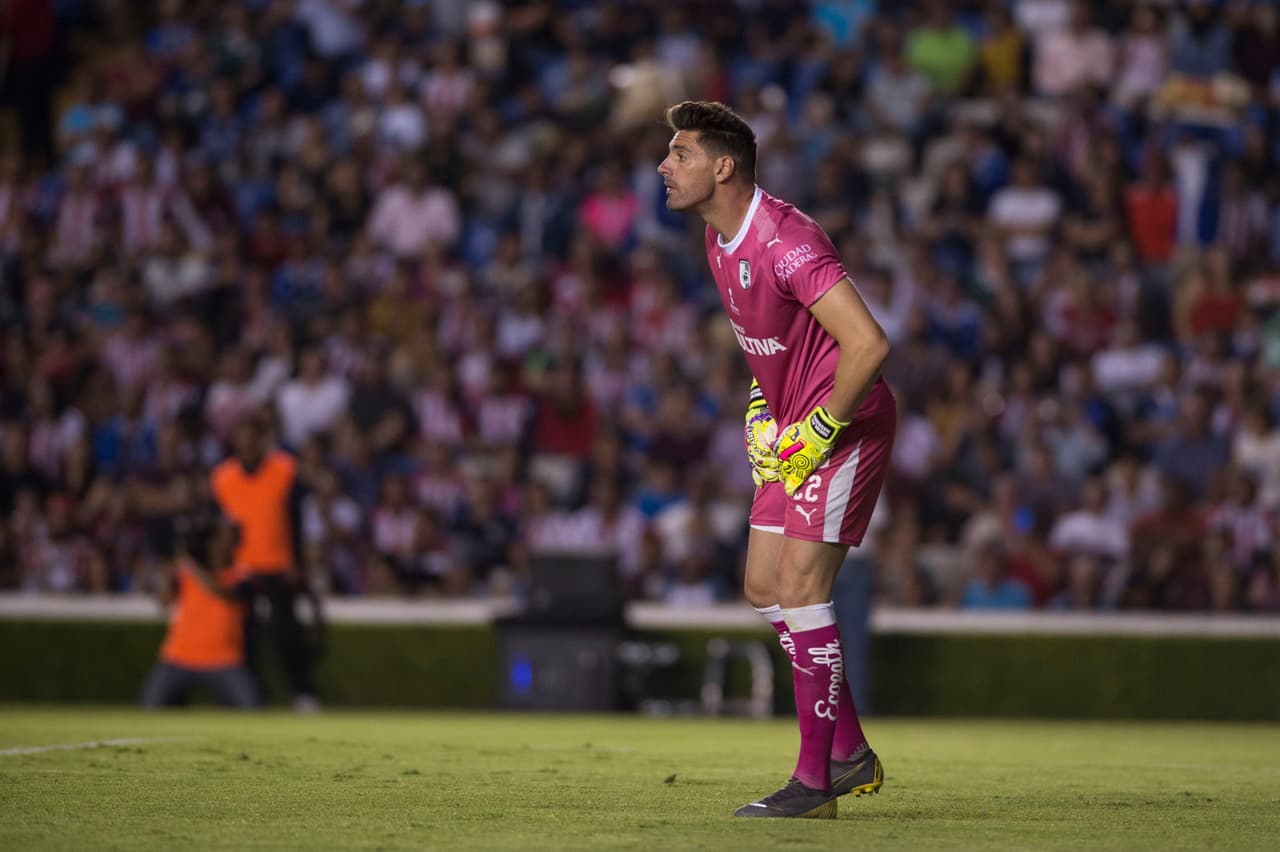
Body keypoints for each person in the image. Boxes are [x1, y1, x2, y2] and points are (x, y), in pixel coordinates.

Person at [657, 101, 897, 819]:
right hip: (795, 426)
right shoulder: (717, 238)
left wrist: (821, 426)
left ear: (723, 166)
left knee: (800, 588)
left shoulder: (788, 242)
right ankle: (848, 750)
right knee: (763, 586)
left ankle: (814, 784)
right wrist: (764, 407)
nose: (665, 167)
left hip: (846, 426)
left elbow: (868, 346)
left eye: (680, 154)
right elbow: (776, 346)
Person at [210, 413, 321, 711]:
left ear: (262, 440)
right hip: (240, 570)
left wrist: (299, 562)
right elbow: (217, 526)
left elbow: (299, 518)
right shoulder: (223, 478)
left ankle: (303, 692)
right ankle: (251, 697)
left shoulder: (285, 470)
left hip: (278, 565)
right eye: (241, 440)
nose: (246, 446)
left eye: (252, 439)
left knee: (288, 634)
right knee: (242, 637)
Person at [140, 513, 259, 709]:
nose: (220, 546)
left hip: (224, 658)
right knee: (150, 705)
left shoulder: (241, 574)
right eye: (217, 540)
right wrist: (168, 569)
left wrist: (190, 566)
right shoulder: (189, 572)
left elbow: (222, 592)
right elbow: (164, 602)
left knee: (251, 707)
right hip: (179, 656)